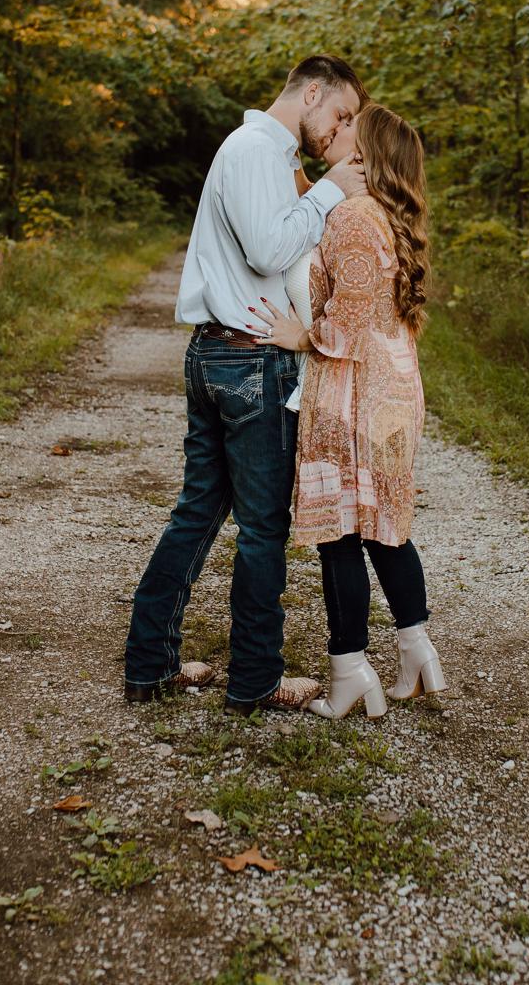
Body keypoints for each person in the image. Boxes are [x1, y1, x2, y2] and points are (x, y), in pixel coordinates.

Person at [123, 55, 368, 716]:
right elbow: (269, 250)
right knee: (262, 529)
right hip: (250, 363)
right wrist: (330, 192)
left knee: (198, 513)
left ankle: (149, 664)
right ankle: (256, 679)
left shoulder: (262, 152)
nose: (339, 128)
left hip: (215, 354)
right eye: (340, 113)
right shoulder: (257, 148)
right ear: (311, 93)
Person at [247, 104, 447, 720]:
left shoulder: (355, 218)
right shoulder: (378, 213)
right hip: (390, 390)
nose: (334, 132)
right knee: (383, 527)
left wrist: (301, 336)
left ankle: (350, 672)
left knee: (340, 533)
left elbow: (348, 317)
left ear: (365, 156)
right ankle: (415, 649)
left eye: (346, 130)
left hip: (354, 394)